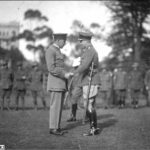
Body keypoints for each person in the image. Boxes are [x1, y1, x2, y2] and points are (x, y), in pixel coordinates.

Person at [71, 32, 100, 136]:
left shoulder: (90, 50)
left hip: (91, 80)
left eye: (81, 41)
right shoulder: (87, 51)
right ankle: (94, 128)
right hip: (87, 80)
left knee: (89, 104)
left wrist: (74, 72)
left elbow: (84, 66)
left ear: (86, 40)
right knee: (87, 104)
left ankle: (93, 129)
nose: (80, 43)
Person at [45, 33, 73, 136]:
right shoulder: (51, 50)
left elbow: (59, 67)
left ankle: (56, 127)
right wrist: (65, 74)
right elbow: (51, 69)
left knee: (59, 107)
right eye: (64, 41)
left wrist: (67, 73)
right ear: (57, 40)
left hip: (60, 83)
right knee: (55, 107)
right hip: (56, 83)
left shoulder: (57, 50)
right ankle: (53, 128)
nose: (65, 43)